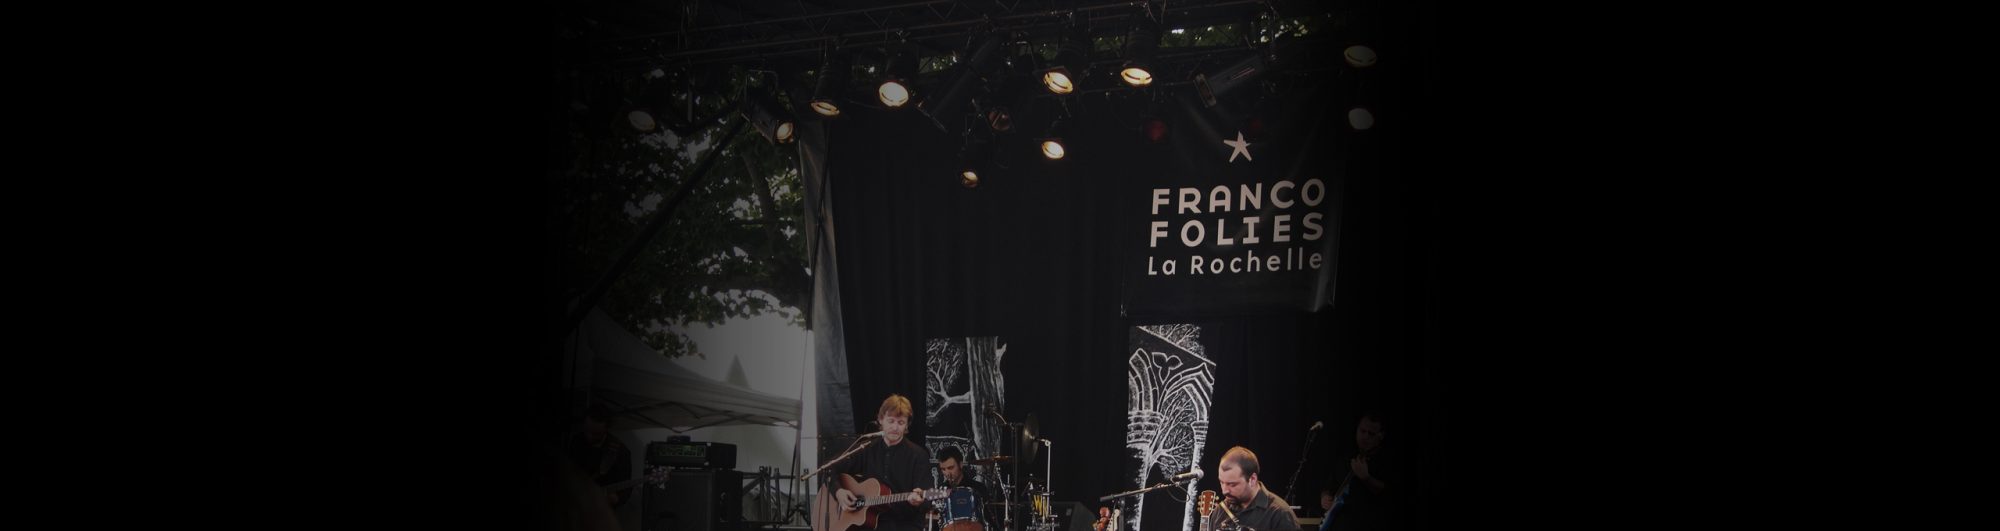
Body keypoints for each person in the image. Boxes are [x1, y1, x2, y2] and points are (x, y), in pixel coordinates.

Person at [834, 394, 935, 531]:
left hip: (903, 524)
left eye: (900, 423)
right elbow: (829, 469)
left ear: (906, 426)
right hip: (866, 524)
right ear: (880, 420)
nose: (895, 427)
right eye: (891, 421)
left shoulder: (918, 456)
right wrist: (838, 491)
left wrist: (919, 501)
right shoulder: (866, 448)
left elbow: (927, 497)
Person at [1323, 412, 1395, 531]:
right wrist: (1325, 496)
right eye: (1362, 431)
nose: (1365, 436)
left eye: (1371, 434)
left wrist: (1366, 478)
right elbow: (1330, 485)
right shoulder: (1346, 458)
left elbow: (1390, 494)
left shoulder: (1388, 461)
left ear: (1380, 436)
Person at [1205, 446, 1301, 531]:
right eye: (1222, 482)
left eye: (1232, 484)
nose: (1225, 490)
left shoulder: (1279, 513)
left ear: (1252, 479)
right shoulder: (1220, 511)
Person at [563, 402, 634, 509]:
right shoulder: (577, 441)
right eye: (587, 430)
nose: (589, 436)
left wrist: (615, 498)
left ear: (606, 429)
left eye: (596, 434)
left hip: (601, 511)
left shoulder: (621, 452)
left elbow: (626, 489)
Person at [933, 446, 991, 528]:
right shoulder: (941, 490)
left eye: (950, 468)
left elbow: (987, 520)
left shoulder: (978, 488)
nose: (947, 473)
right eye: (943, 469)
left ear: (960, 464)